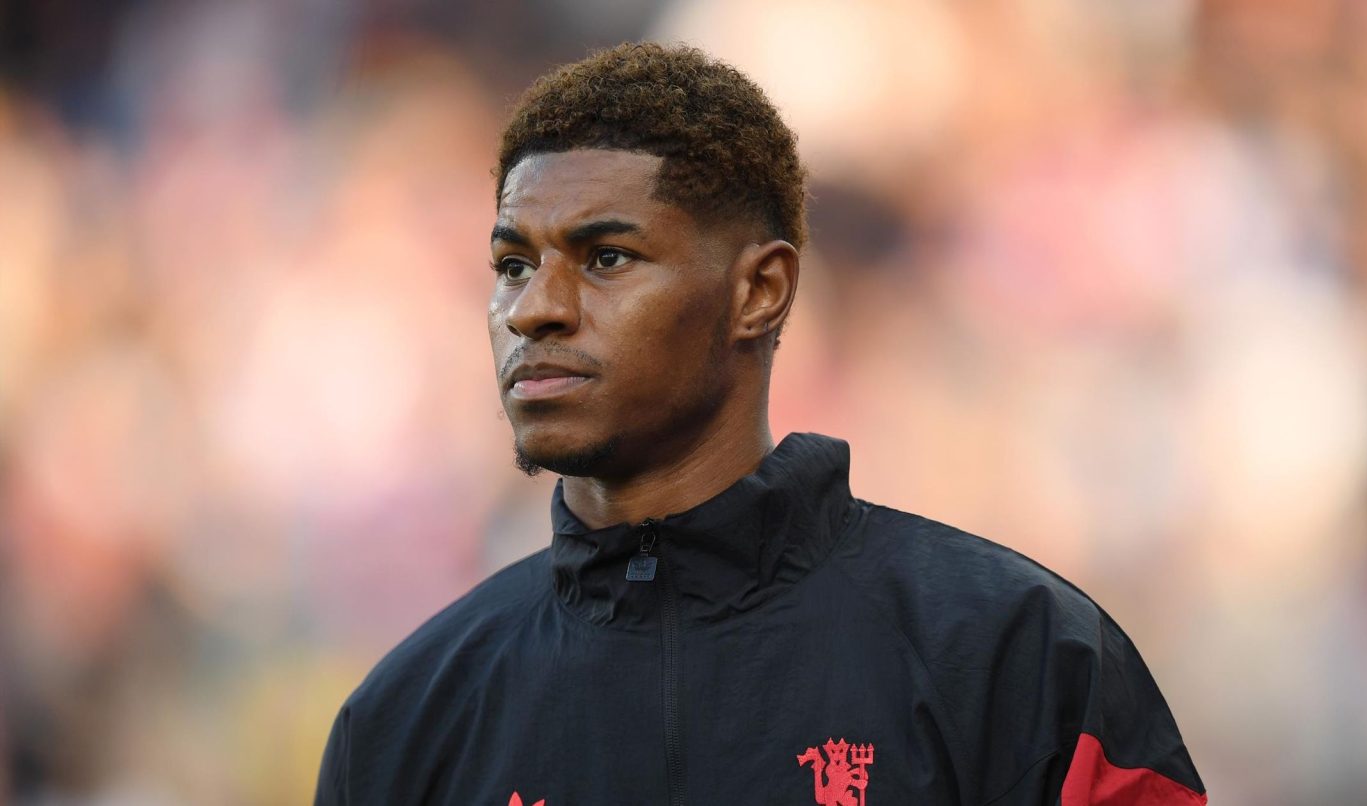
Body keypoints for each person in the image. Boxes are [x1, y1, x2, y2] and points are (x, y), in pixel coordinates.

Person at [315, 42, 1206, 806]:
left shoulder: (1017, 656)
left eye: (606, 257)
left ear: (759, 291)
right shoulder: (404, 722)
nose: (532, 309)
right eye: (513, 264)